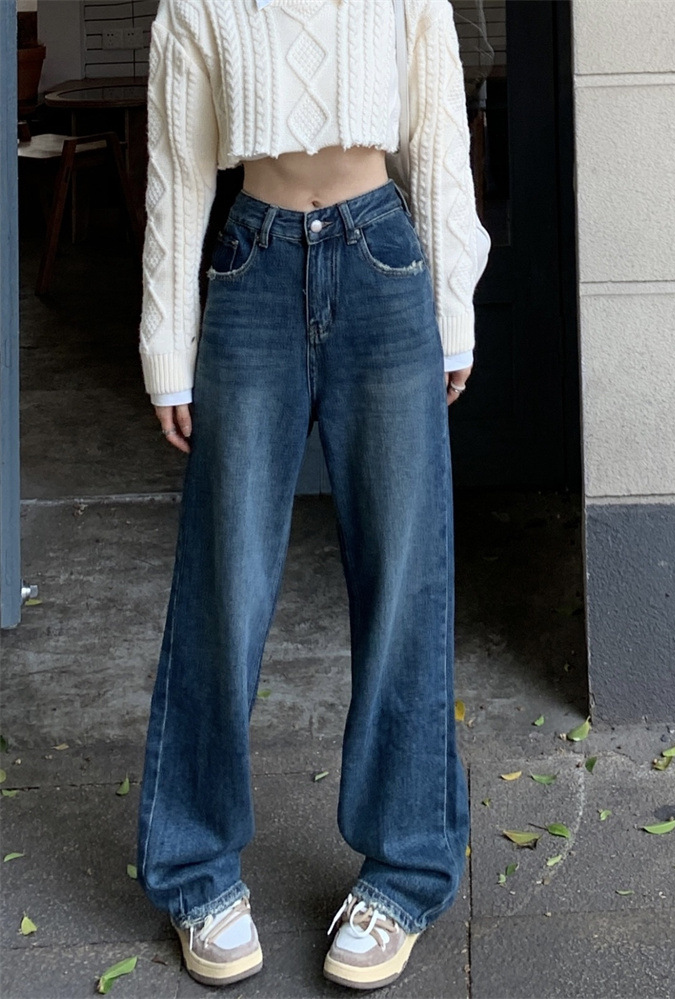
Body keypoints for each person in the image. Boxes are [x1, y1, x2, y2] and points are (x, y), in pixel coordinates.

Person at [136, 0, 482, 990]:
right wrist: (167, 346)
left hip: (381, 262)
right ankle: (196, 869)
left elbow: (438, 142)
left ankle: (406, 870)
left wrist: (452, 308)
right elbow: (177, 174)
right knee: (224, 584)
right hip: (252, 266)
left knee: (406, 581)